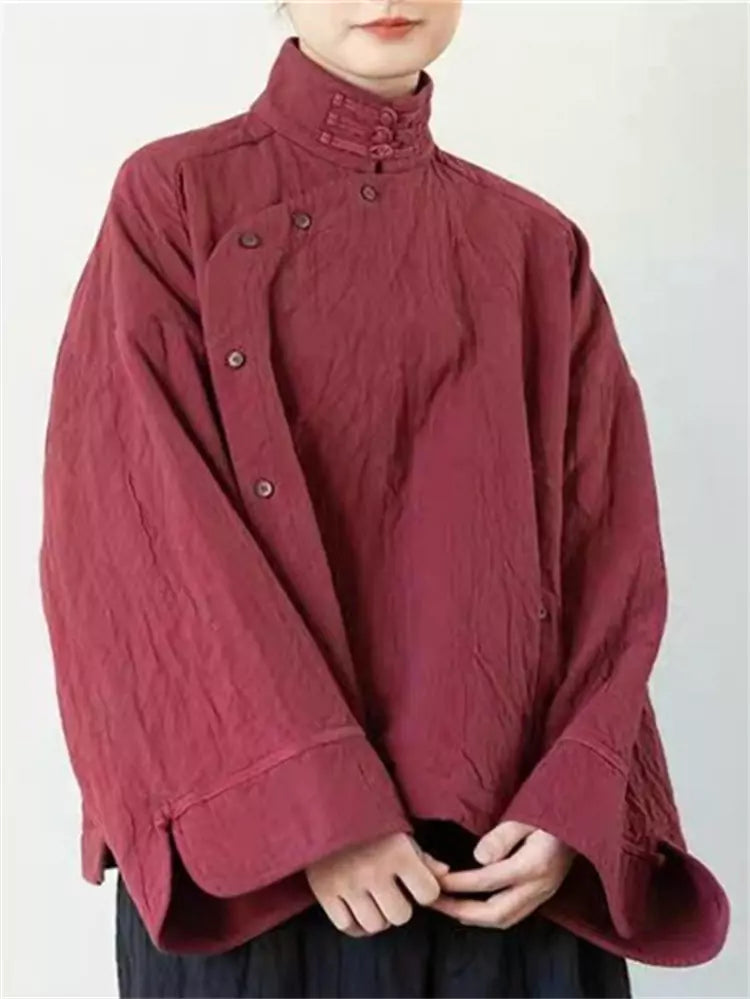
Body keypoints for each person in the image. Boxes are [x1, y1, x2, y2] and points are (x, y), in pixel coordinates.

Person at [39, 4, 730, 998]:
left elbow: (609, 557)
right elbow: (133, 540)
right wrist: (313, 812)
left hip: (506, 873)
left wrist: (571, 803)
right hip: (263, 874)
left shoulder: (535, 245)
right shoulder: (176, 198)